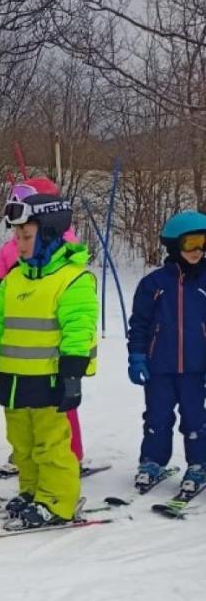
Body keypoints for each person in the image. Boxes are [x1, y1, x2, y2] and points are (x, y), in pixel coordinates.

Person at [0, 192, 98, 528]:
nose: (19, 243)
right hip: (14, 379)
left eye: (26, 236)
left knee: (51, 445)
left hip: (49, 379)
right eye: (16, 236)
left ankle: (57, 501)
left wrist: (73, 373)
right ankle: (32, 491)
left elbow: (79, 328)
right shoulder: (14, 277)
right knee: (22, 444)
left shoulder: (73, 278)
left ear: (49, 234)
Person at [0, 175, 85, 465]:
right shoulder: (13, 245)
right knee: (25, 415)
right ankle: (28, 463)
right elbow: (1, 269)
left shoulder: (58, 241)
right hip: (19, 346)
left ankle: (70, 453)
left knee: (58, 413)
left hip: (51, 360)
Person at [127, 210, 206, 496]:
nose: (198, 250)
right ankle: (153, 462)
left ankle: (199, 464)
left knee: (195, 419)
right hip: (158, 366)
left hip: (196, 368)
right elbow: (139, 324)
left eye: (203, 243)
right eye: (191, 243)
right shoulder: (154, 284)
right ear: (174, 245)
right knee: (157, 419)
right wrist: (137, 355)